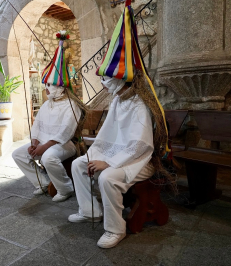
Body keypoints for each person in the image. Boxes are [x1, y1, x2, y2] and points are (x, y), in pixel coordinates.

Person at [68, 71, 170, 248]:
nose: (102, 83)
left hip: (141, 161)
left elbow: (140, 145)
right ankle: (89, 211)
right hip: (118, 156)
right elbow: (107, 135)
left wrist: (107, 163)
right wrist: (95, 156)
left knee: (108, 177)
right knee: (78, 164)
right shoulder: (118, 100)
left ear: (122, 79)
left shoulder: (140, 104)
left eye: (106, 79)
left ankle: (115, 230)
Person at [12, 82, 83, 202]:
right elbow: (37, 126)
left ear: (61, 87)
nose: (46, 88)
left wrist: (44, 147)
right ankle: (43, 182)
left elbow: (66, 131)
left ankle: (65, 189)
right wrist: (34, 143)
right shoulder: (46, 104)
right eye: (46, 84)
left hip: (64, 143)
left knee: (48, 157)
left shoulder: (72, 105)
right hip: (42, 143)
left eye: (50, 85)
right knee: (18, 154)